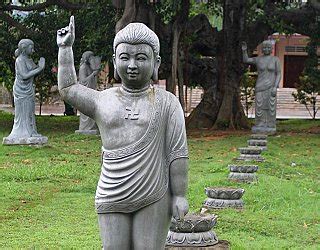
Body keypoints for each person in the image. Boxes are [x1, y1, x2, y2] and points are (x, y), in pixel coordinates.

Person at [57, 16, 189, 249]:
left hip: (154, 192)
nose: (132, 65)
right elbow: (68, 89)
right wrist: (65, 49)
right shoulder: (103, 100)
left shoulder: (168, 103)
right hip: (111, 190)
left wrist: (179, 194)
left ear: (156, 62)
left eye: (141, 58)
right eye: (125, 57)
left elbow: (178, 153)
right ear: (115, 60)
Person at [3, 39, 47, 145]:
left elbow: (33, 71)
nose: (33, 50)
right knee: (23, 111)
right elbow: (24, 75)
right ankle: (22, 132)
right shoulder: (20, 60)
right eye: (31, 48)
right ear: (24, 48)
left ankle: (31, 131)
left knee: (29, 111)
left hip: (29, 89)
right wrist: (40, 68)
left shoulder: (29, 59)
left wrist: (40, 66)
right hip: (21, 90)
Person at [242, 40, 281, 134]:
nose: (266, 49)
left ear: (271, 49)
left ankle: (270, 124)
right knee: (259, 106)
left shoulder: (275, 59)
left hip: (271, 86)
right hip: (260, 86)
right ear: (262, 49)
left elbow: (278, 74)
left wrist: (275, 86)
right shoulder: (258, 59)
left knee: (270, 106)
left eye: (268, 47)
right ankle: (260, 123)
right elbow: (246, 60)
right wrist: (244, 51)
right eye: (264, 47)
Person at [75, 51, 101, 134]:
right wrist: (93, 74)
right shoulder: (83, 67)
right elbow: (83, 81)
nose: (92, 59)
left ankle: (91, 127)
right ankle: (85, 128)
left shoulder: (90, 67)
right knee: (86, 111)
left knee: (92, 110)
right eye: (90, 57)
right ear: (87, 58)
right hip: (85, 93)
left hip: (91, 92)